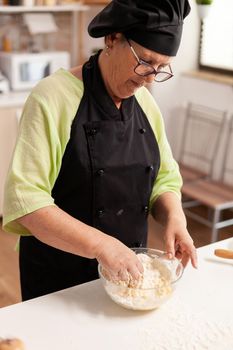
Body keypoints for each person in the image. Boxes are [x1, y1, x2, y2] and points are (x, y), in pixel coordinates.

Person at [3, 0, 197, 301]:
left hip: (127, 280)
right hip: (59, 280)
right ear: (112, 38)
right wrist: (102, 246)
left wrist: (175, 217)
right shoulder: (51, 98)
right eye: (145, 61)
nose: (149, 79)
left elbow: (165, 179)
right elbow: (27, 201)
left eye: (161, 68)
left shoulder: (146, 104)